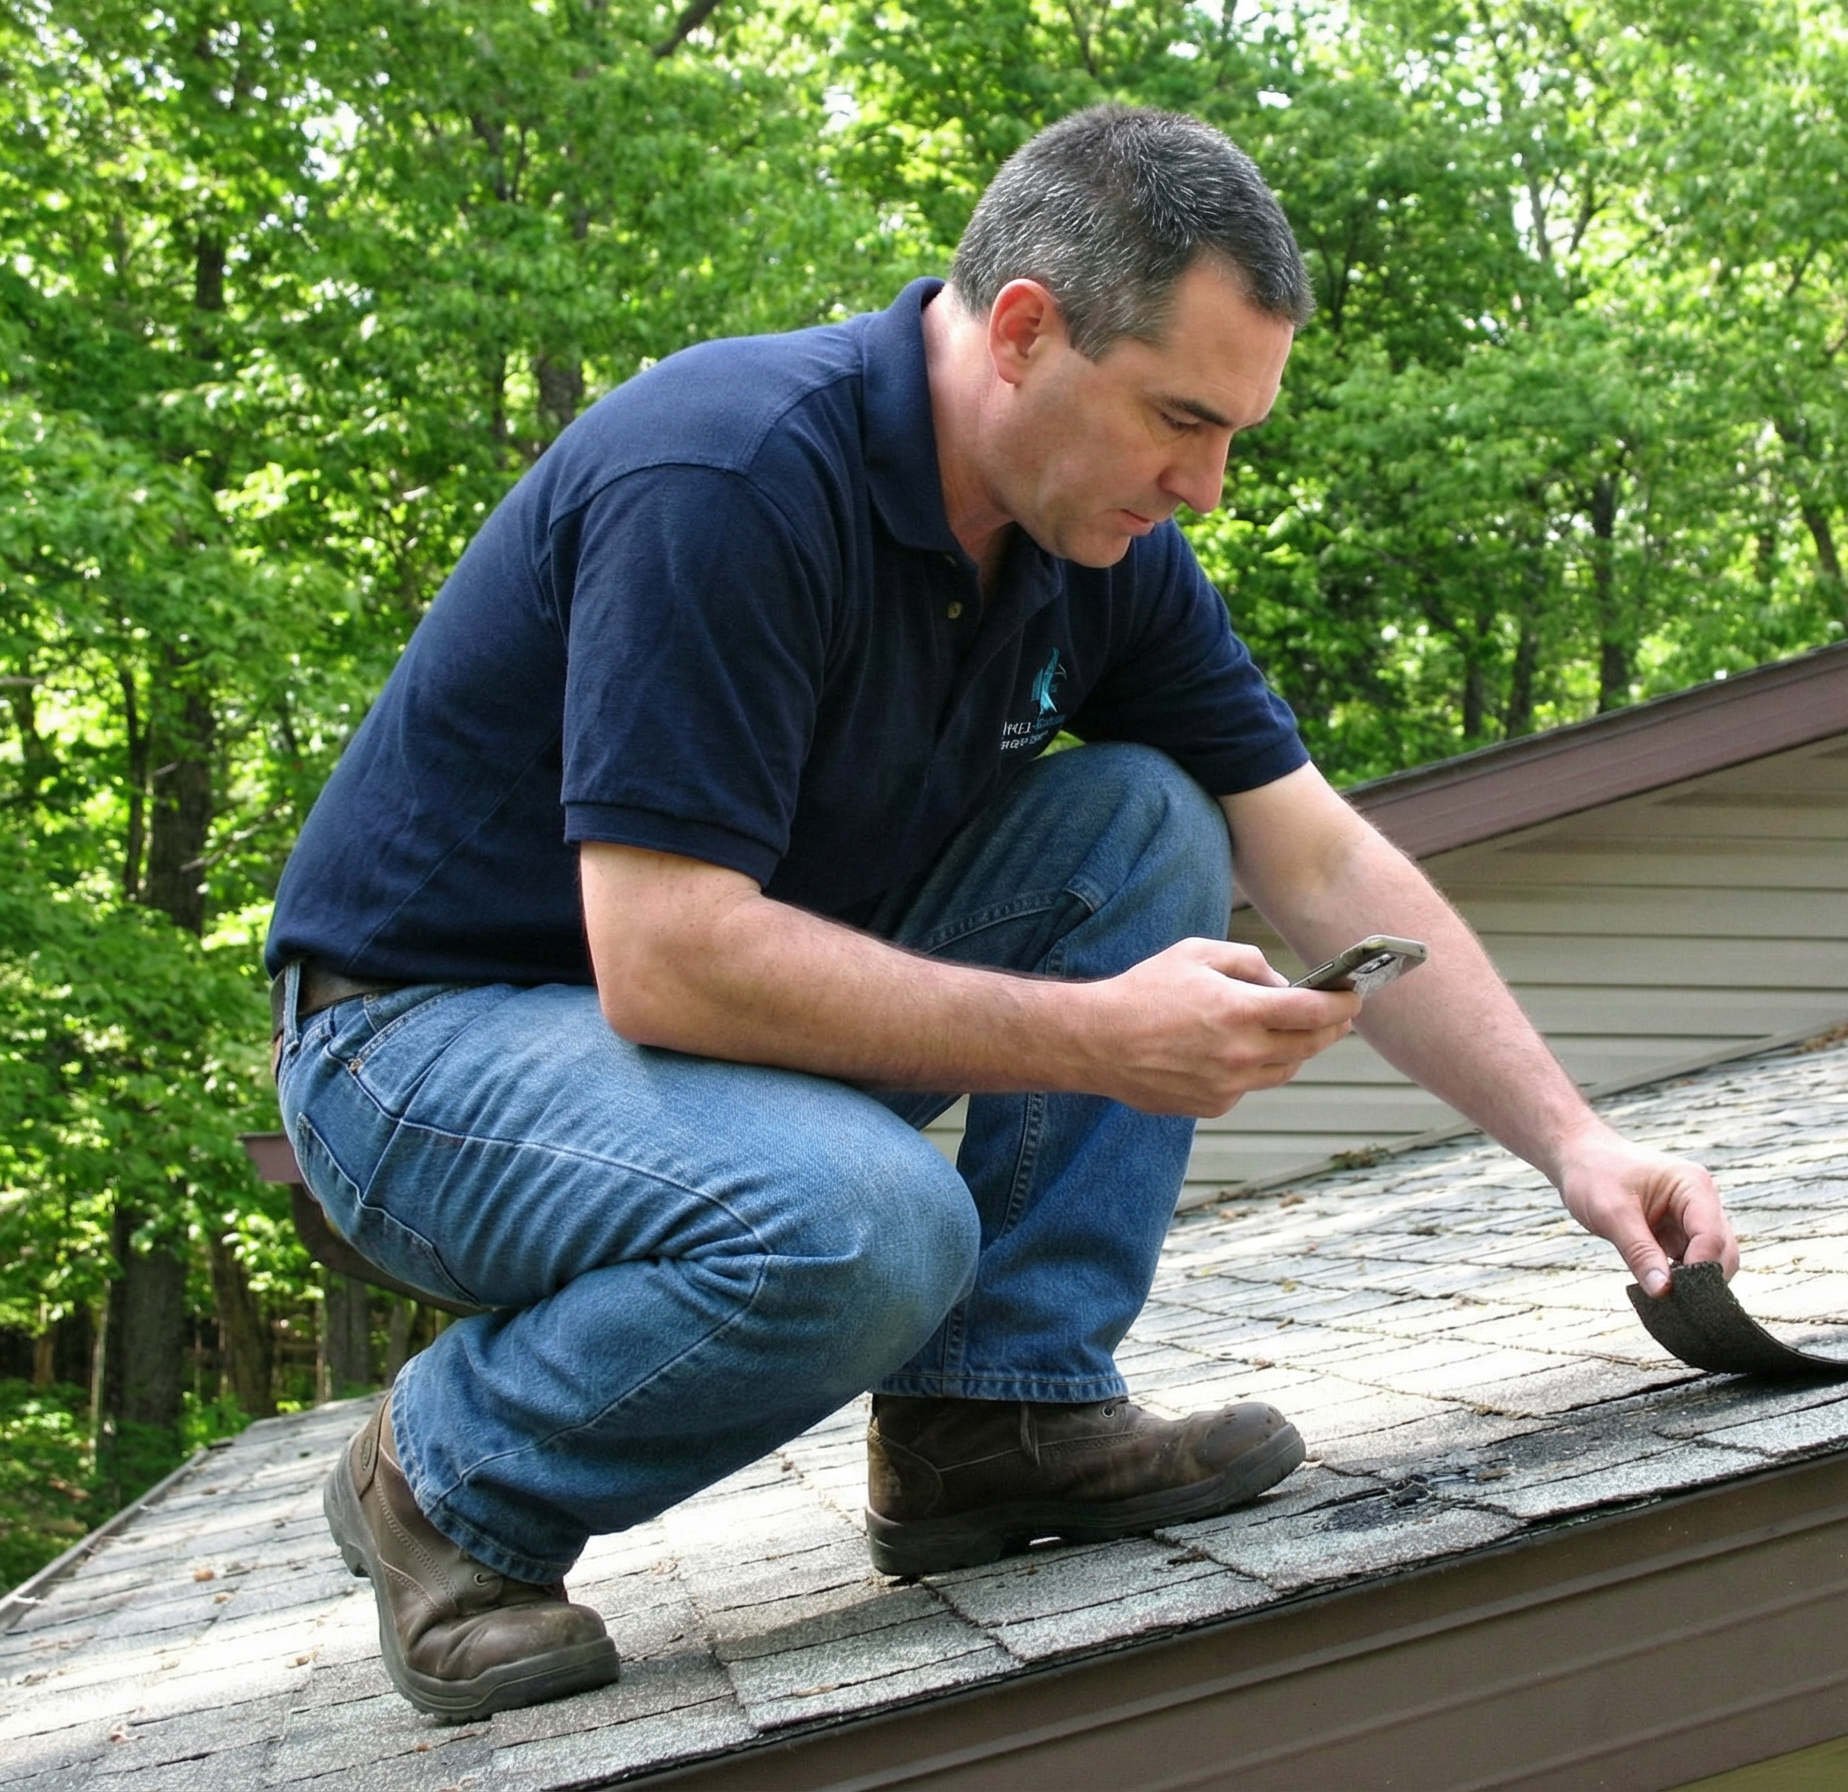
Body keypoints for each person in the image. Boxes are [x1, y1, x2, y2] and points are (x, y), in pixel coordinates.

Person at [265, 105, 1737, 1723]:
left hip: (701, 1046)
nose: (1211, 486)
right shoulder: (733, 473)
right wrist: (1098, 1036)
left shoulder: (1099, 545)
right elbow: (667, 956)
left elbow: (1317, 858)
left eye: (1236, 433)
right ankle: (450, 1476)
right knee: (878, 1223)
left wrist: (1582, 1149)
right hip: (418, 1050)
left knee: (1147, 816)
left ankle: (995, 1420)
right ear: (1025, 330)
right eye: (1183, 420)